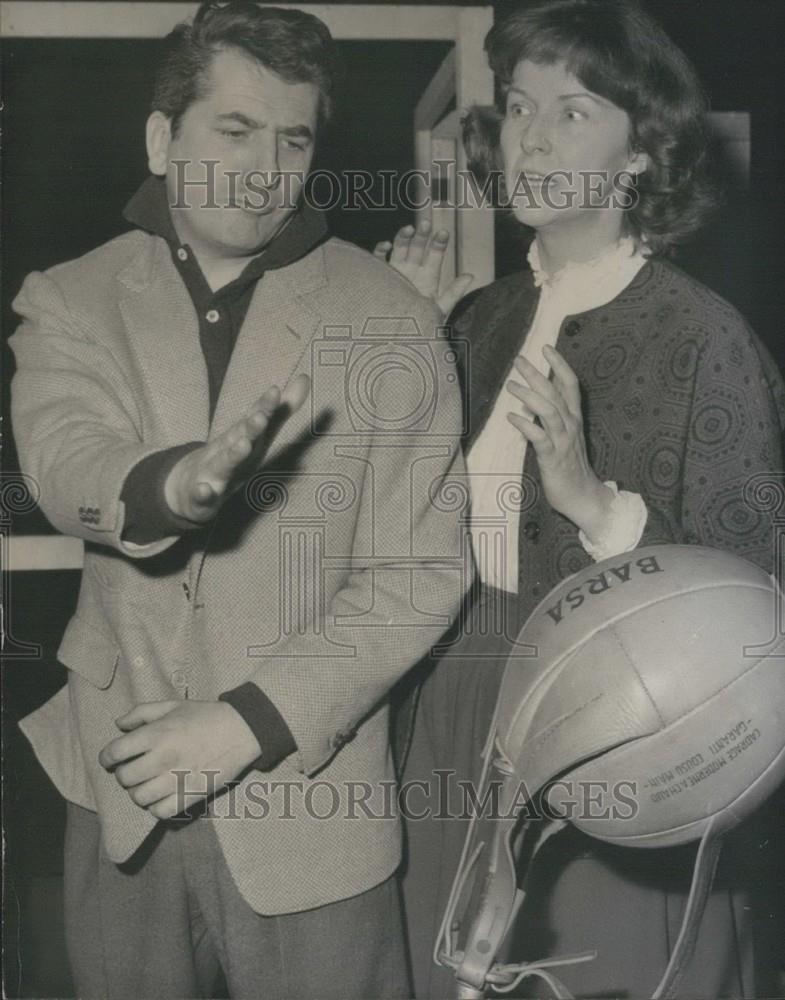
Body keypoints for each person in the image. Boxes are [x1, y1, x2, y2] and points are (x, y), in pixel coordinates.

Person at [9, 3, 467, 997]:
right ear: (161, 137)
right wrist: (171, 486)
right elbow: (65, 460)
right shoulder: (70, 298)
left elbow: (418, 575)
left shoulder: (390, 321)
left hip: (312, 804)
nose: (266, 166)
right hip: (118, 794)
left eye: (291, 137)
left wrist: (247, 722)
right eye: (233, 128)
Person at [378, 1, 785, 996]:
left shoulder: (702, 334)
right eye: (519, 107)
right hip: (451, 694)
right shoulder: (477, 315)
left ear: (640, 153)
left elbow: (756, 610)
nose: (529, 135)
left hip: (622, 714)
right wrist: (408, 347)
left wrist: (588, 501)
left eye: (571, 111)